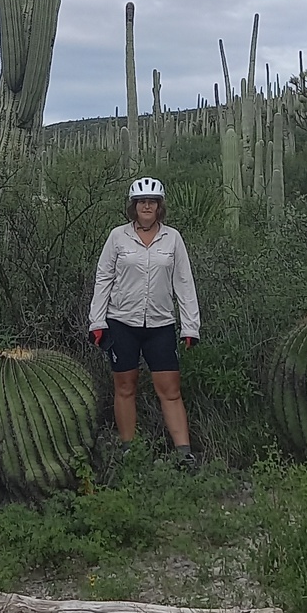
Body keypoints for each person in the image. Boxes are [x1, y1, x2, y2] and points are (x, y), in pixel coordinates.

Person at [88, 176, 200, 467]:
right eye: (141, 202)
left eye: (152, 202)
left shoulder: (172, 238)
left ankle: (184, 454)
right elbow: (104, 278)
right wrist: (96, 322)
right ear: (133, 206)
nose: (147, 207)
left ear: (159, 206)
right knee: (125, 387)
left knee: (170, 390)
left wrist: (190, 326)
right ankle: (130, 451)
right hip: (122, 322)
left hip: (160, 325)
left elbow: (184, 282)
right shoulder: (118, 237)